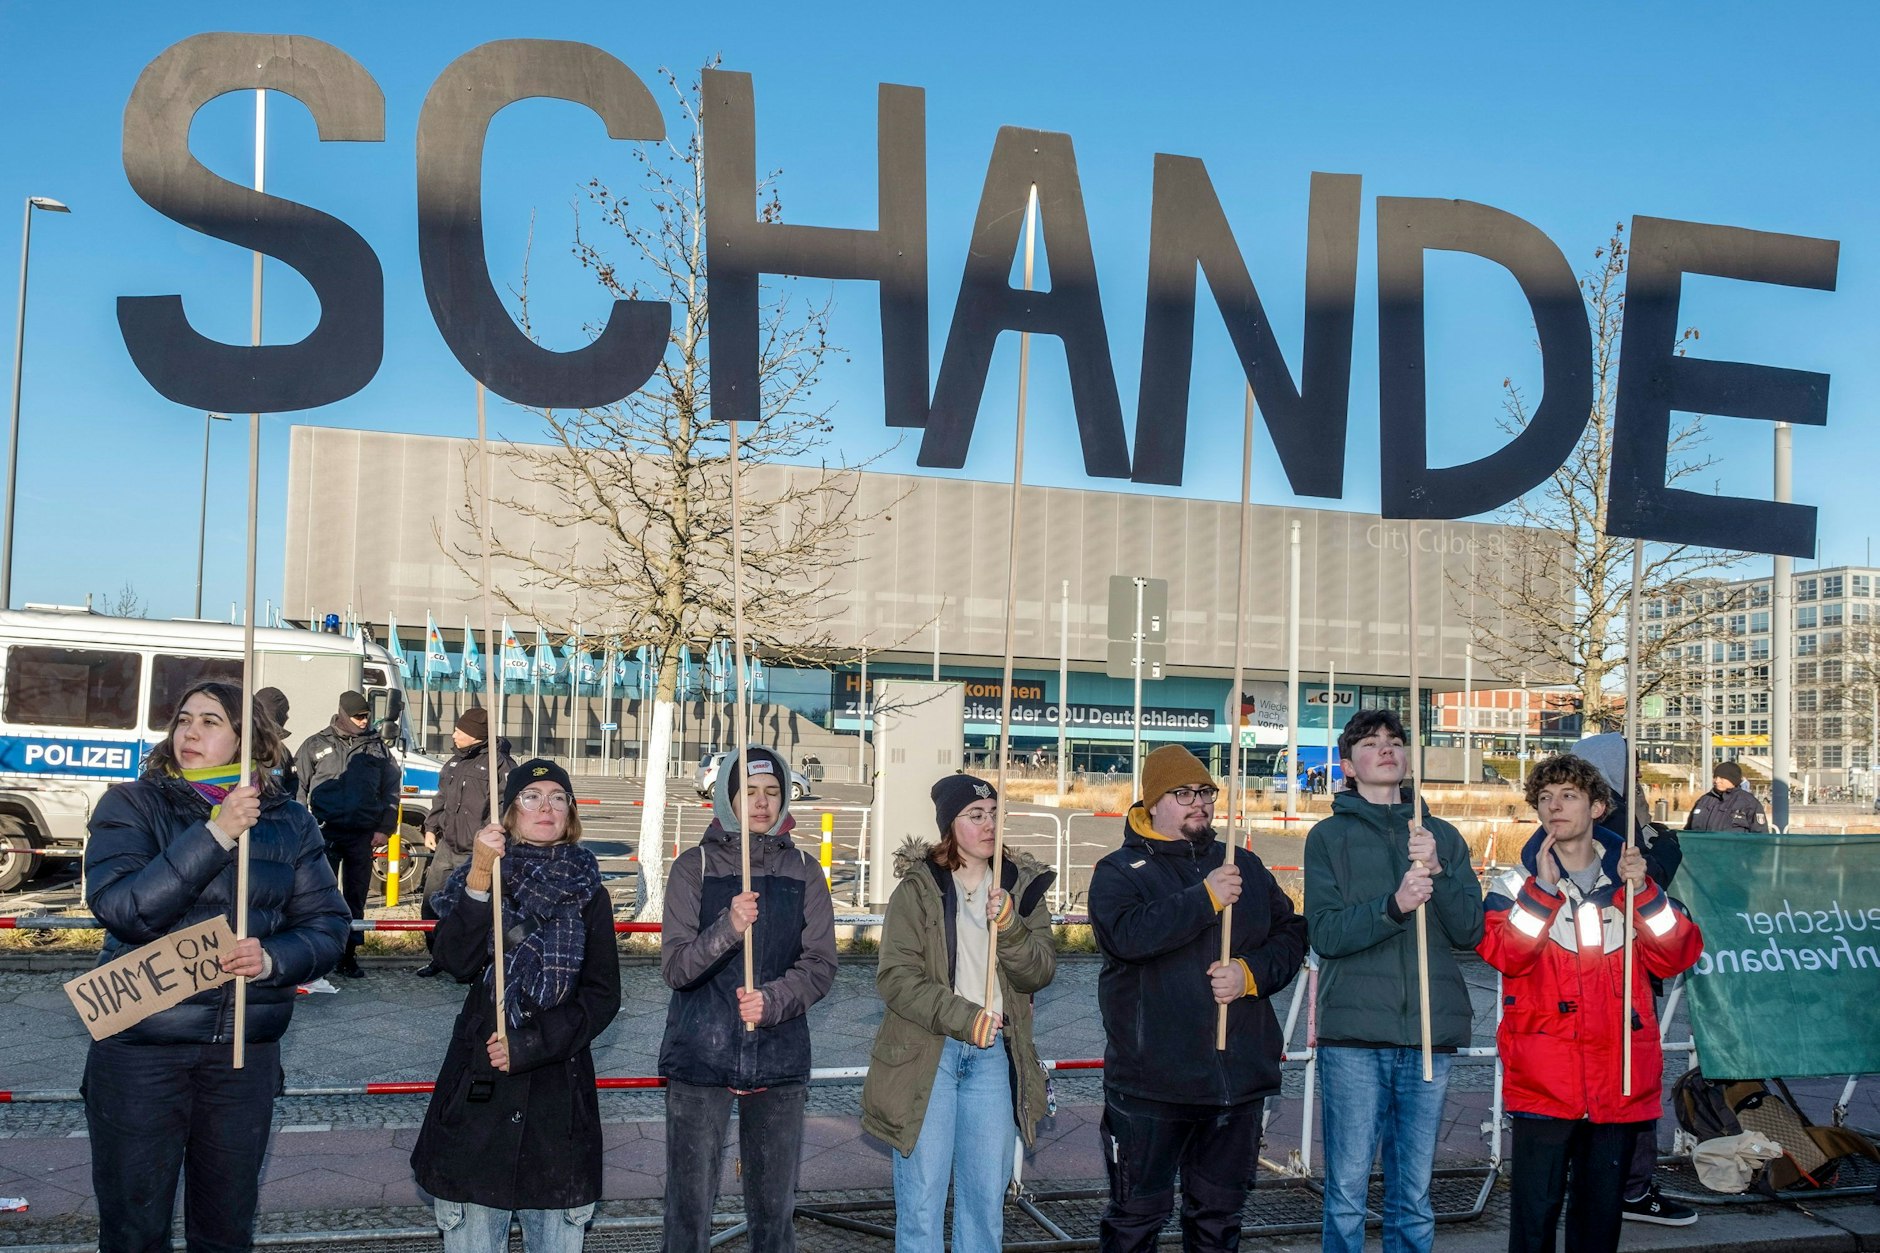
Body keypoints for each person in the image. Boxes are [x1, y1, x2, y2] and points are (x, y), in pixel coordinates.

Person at [83, 680, 349, 1253]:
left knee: (226, 1228)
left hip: (242, 1055)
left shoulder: (290, 821)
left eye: (210, 721)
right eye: (184, 719)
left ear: (247, 740)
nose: (190, 732)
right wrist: (216, 833)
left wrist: (273, 958)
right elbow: (124, 909)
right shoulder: (131, 804)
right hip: (141, 1050)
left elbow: (328, 926)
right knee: (134, 1227)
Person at [1087, 744, 1308, 1253]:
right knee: (1135, 1221)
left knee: (1218, 1223)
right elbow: (1127, 937)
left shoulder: (1242, 864)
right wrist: (1204, 897)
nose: (1200, 803)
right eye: (1183, 793)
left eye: (1206, 792)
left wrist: (1250, 974)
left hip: (1236, 1084)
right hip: (1151, 1085)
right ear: (1153, 803)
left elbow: (1292, 933)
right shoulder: (1119, 871)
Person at [1478, 753, 1704, 1253]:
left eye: (1568, 795)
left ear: (1598, 807)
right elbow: (1506, 955)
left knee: (1599, 1222)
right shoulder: (1513, 886)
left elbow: (1677, 955)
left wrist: (1644, 893)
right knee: (1533, 1221)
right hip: (1543, 1080)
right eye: (1544, 797)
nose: (1554, 806)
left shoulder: (1635, 884)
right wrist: (1541, 892)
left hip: (1617, 1080)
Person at [409, 758, 620, 1253]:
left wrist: (530, 1044)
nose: (545, 807)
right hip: (478, 1098)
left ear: (570, 813)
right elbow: (454, 960)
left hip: (557, 1105)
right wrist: (481, 878)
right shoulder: (483, 877)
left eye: (558, 798)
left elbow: (602, 995)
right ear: (509, 813)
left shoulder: (590, 893)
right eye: (531, 797)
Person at [1303, 709, 1484, 1253]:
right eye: (1369, 742)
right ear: (1347, 765)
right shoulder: (1327, 837)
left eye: (1395, 740)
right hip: (1355, 1037)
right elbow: (1325, 933)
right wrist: (1395, 906)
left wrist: (1440, 872)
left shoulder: (1441, 835)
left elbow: (1470, 930)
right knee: (1347, 1191)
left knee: (1415, 1194)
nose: (1386, 748)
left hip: (1430, 1031)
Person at [861, 775, 1058, 1253]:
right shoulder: (918, 888)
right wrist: (964, 1017)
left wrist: (1010, 927)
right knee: (921, 1205)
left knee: (984, 1205)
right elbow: (896, 978)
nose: (990, 824)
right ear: (950, 825)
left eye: (995, 814)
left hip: (993, 1060)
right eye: (976, 815)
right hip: (929, 1056)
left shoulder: (1021, 886)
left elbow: (1040, 971)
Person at [658, 746, 837, 1253]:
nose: (761, 803)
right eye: (750, 792)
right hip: (700, 1057)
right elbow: (676, 967)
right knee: (688, 1211)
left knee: (774, 1213)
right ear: (728, 798)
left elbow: (820, 963)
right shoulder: (693, 866)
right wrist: (728, 928)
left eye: (772, 792)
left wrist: (774, 1000)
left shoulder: (804, 870)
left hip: (779, 1058)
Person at [1572, 733, 1696, 1227]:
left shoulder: (1588, 815)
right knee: (1631, 1082)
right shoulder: (1619, 820)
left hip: (1594, 967)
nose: (1640, 772)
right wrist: (1665, 846)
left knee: (1600, 1082)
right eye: (1633, 764)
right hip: (1623, 968)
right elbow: (1644, 882)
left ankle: (1601, 1183)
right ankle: (1632, 1187)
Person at [295, 690, 401, 977]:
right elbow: (299, 789)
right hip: (324, 833)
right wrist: (301, 828)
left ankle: (348, 956)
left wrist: (384, 828)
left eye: (366, 716)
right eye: (358, 717)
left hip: (362, 835)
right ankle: (320, 955)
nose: (364, 721)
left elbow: (391, 790)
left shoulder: (377, 748)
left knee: (355, 898)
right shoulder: (315, 744)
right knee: (320, 897)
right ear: (343, 714)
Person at [416, 708, 516, 978]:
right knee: (431, 905)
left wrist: (490, 841)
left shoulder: (501, 765)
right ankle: (438, 958)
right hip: (447, 847)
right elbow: (441, 798)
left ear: (476, 735)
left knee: (469, 910)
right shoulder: (454, 762)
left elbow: (507, 809)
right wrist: (430, 828)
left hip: (476, 854)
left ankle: (470, 963)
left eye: (460, 731)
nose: (454, 735)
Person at [1686, 760, 1768, 833]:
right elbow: (1688, 831)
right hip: (1701, 846)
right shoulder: (1704, 801)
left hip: (1734, 846)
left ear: (1733, 780)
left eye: (1722, 778)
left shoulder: (1749, 803)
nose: (1717, 781)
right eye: (1715, 777)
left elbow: (1760, 836)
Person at [255, 686, 296, 799]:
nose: (287, 717)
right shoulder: (270, 747)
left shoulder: (240, 740)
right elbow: (273, 792)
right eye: (285, 712)